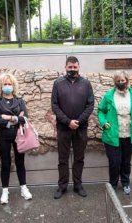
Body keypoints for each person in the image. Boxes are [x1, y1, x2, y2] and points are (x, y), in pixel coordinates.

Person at [51, 56, 95, 199]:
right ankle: (62, 186)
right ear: (65, 67)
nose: (72, 69)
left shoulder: (86, 84)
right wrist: (68, 121)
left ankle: (78, 185)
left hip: (81, 128)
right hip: (63, 128)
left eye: (74, 67)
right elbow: (54, 105)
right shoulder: (58, 83)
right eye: (70, 67)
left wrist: (79, 121)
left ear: (79, 67)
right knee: (62, 159)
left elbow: (90, 105)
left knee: (79, 158)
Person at [0, 74, 33, 204]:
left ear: (13, 85)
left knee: (20, 162)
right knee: (5, 163)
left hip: (18, 135)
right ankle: (5, 191)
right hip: (3, 136)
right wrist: (15, 118)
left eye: (9, 84)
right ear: (1, 86)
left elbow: (25, 117)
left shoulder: (20, 100)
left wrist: (8, 117)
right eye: (5, 84)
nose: (7, 86)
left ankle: (23, 188)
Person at [97, 71, 132, 195]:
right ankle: (113, 184)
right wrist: (104, 122)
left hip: (129, 133)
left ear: (127, 80)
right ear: (115, 82)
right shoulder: (109, 96)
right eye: (118, 81)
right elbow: (101, 110)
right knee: (114, 162)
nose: (121, 83)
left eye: (123, 80)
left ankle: (126, 183)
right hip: (112, 134)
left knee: (126, 161)